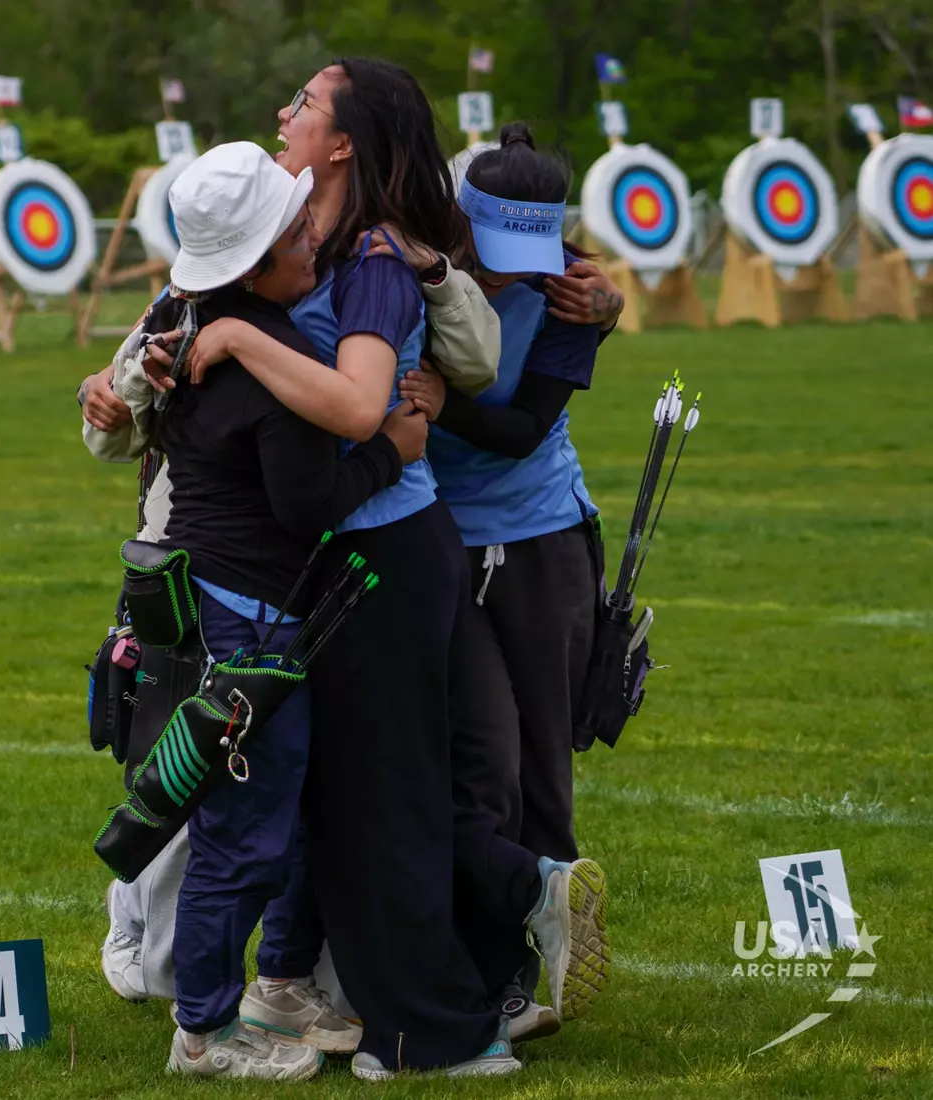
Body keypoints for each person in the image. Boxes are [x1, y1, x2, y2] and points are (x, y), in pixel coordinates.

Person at [177, 61, 608, 1079]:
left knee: (385, 797)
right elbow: (187, 302)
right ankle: (442, 985)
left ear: (344, 145)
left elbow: (365, 404)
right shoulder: (303, 239)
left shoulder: (370, 255)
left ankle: (427, 1023)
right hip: (360, 549)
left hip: (378, 546)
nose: (283, 112)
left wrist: (238, 336)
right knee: (373, 793)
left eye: (307, 104)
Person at [119, 140, 428, 1080]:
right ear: (255, 265)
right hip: (242, 620)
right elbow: (307, 508)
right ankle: (206, 1034)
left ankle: (240, 1004)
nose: (314, 241)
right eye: (296, 232)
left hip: (216, 605)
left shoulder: (196, 325)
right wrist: (395, 450)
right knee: (243, 836)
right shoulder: (269, 358)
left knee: (258, 825)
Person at [397, 122, 614, 1024]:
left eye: (526, 252)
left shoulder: (570, 290)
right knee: (479, 765)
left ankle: (551, 955)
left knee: (544, 768)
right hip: (438, 537)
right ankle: (496, 965)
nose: (507, 273)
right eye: (491, 251)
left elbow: (526, 427)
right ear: (455, 218)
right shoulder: (408, 255)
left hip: (540, 540)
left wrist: (442, 401)